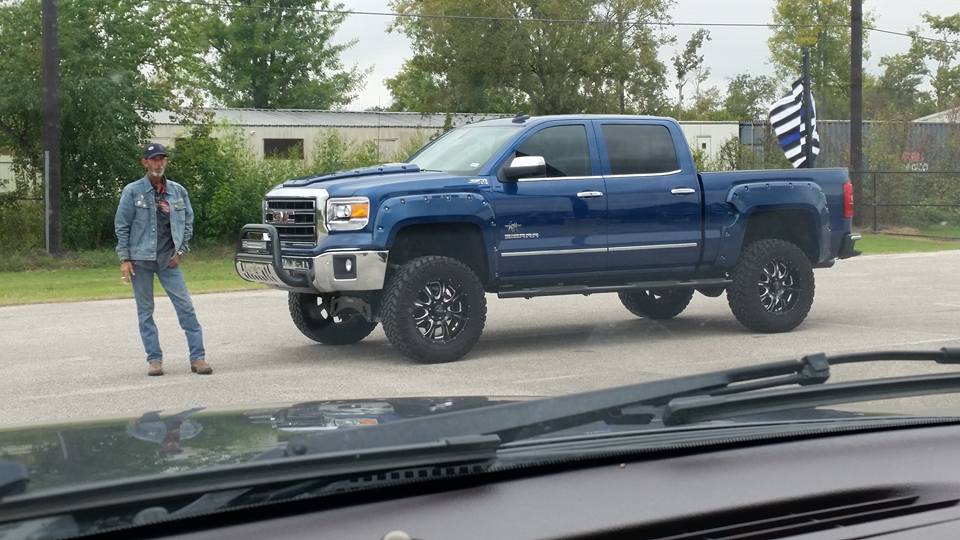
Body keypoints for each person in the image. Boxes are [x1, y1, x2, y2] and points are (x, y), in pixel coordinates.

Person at [115, 143, 212, 376]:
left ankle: (198, 358)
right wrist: (125, 258)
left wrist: (180, 252)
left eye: (162, 159)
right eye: (154, 159)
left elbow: (188, 222)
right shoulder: (132, 191)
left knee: (186, 308)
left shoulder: (178, 191)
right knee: (145, 311)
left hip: (169, 260)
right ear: (145, 163)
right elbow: (122, 225)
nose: (158, 163)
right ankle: (154, 360)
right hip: (140, 261)